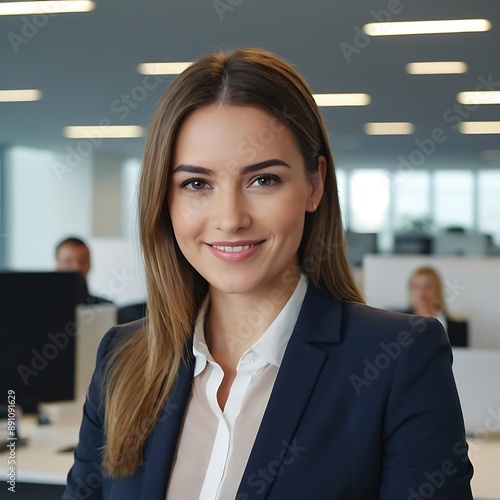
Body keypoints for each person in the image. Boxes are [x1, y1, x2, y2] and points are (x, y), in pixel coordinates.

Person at [64, 48, 473, 499]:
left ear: (314, 184)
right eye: (197, 184)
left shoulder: (398, 359)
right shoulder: (124, 359)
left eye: (263, 180)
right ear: (166, 198)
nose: (230, 218)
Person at [407, 266, 469, 347]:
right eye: (416, 287)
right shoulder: (398, 323)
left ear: (438, 290)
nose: (421, 293)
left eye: (427, 287)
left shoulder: (458, 327)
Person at [55, 237, 112, 305]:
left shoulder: (105, 307)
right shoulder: (42, 305)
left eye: (83, 261)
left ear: (90, 264)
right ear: (57, 264)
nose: (77, 267)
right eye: (68, 261)